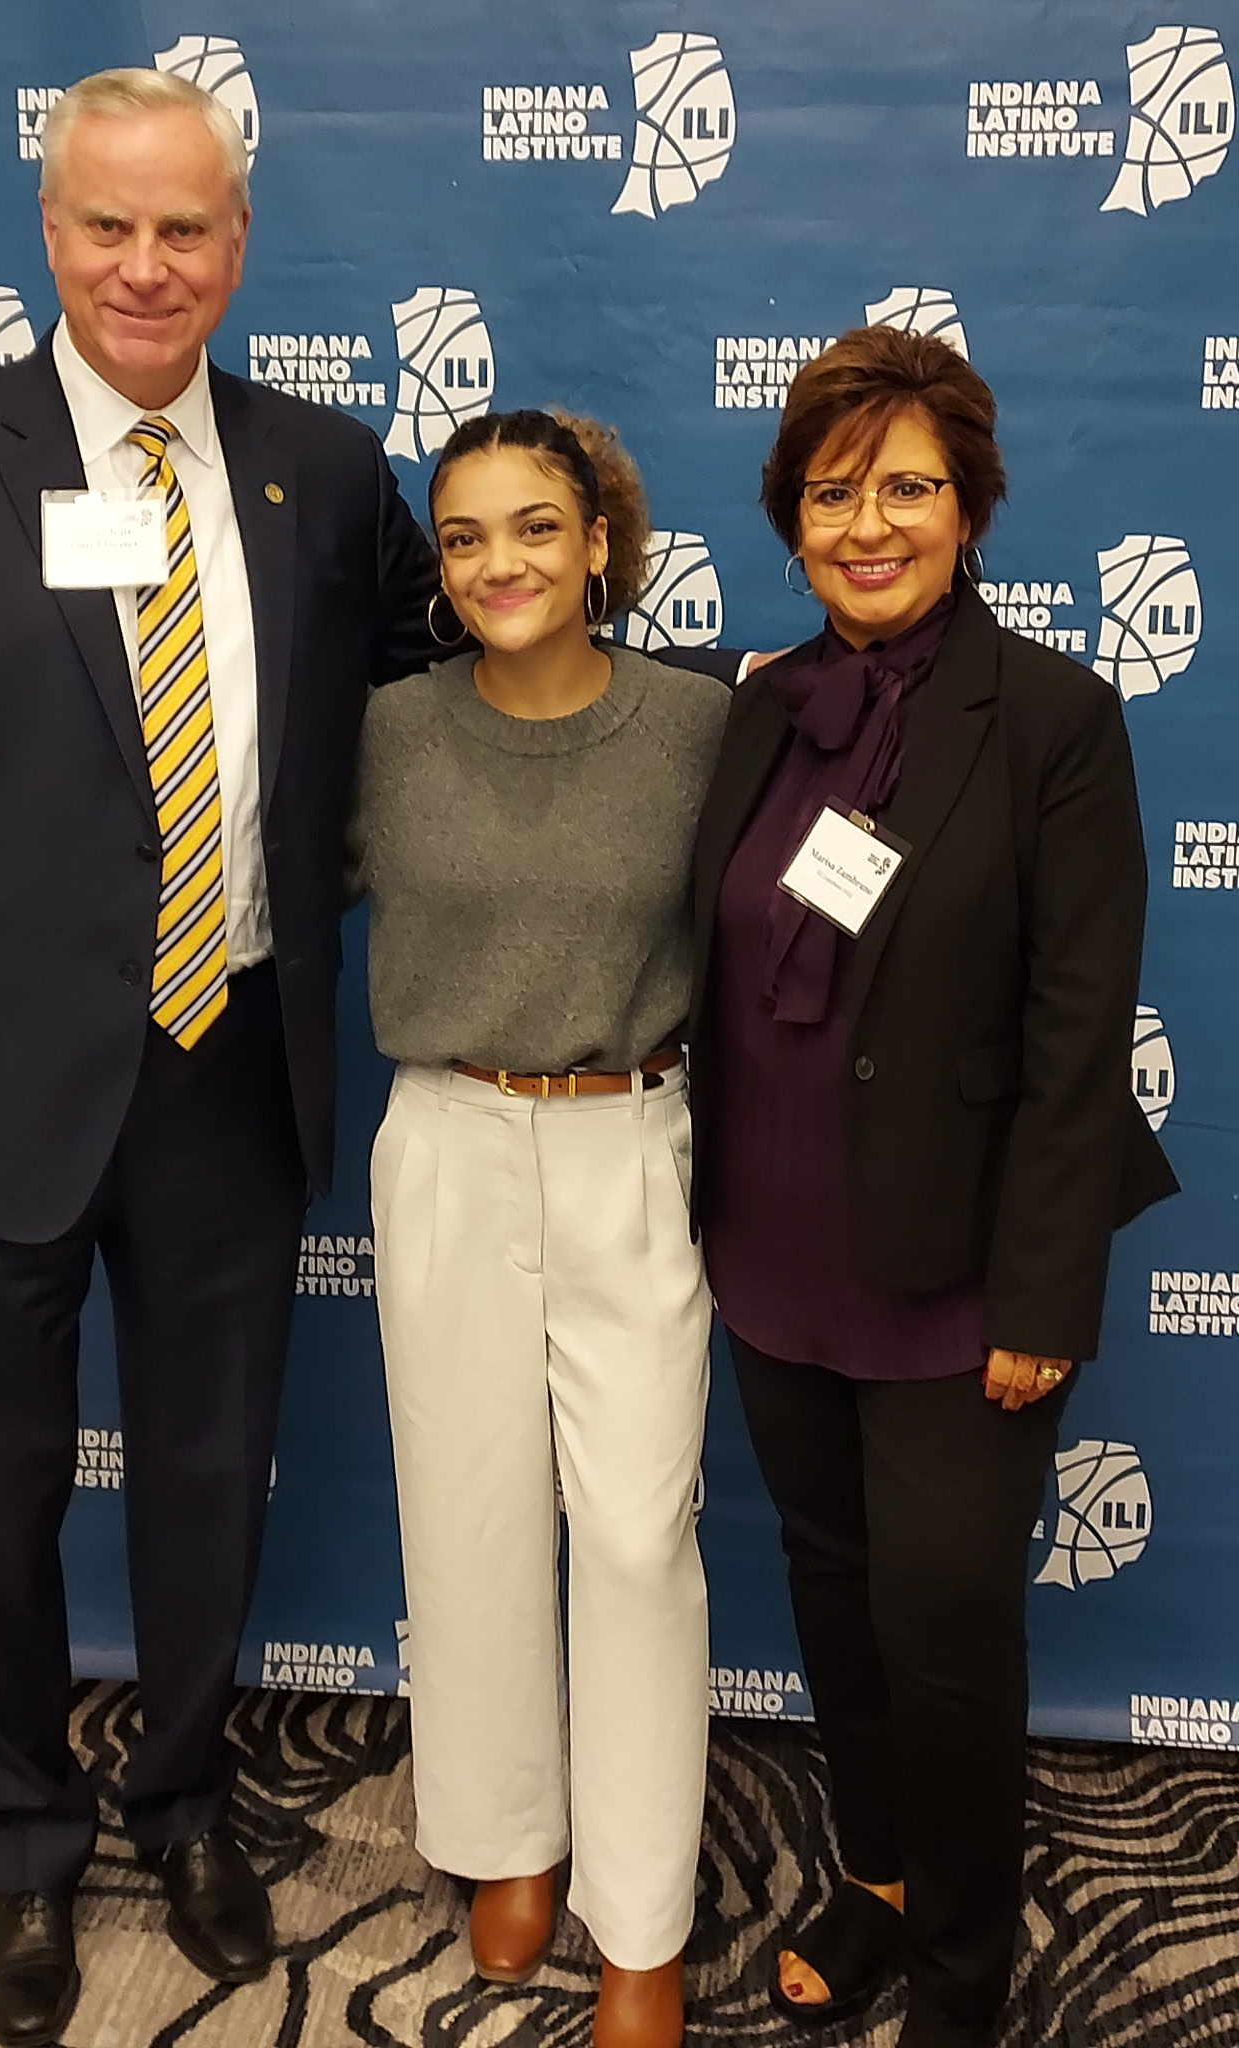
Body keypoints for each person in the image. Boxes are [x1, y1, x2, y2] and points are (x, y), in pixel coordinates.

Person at [0, 67, 437, 2048]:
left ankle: (191, 1805)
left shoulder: (326, 469)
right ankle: (17, 1847)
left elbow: (435, 708)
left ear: (240, 244)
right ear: (49, 233)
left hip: (233, 1066)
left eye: (188, 228)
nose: (149, 265)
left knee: (213, 1480)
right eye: (110, 225)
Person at [686, 326, 1178, 2048]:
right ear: (790, 518)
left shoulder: (1053, 715)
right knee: (831, 1583)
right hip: (773, 1249)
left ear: (969, 509)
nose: (869, 524)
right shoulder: (758, 707)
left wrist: (1045, 1297)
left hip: (960, 1276)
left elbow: (1075, 1034)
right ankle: (879, 1872)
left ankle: (967, 1959)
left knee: (948, 1627)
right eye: (834, 492)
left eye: (908, 488)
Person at [350, 409, 746, 2048]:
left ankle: (642, 1918)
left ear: (601, 546)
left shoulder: (704, 728)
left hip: (629, 1138)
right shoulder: (381, 731)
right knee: (467, 1515)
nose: (499, 561)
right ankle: (504, 1837)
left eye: (534, 527)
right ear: (438, 570)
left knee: (643, 1534)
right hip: (444, 1135)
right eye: (463, 536)